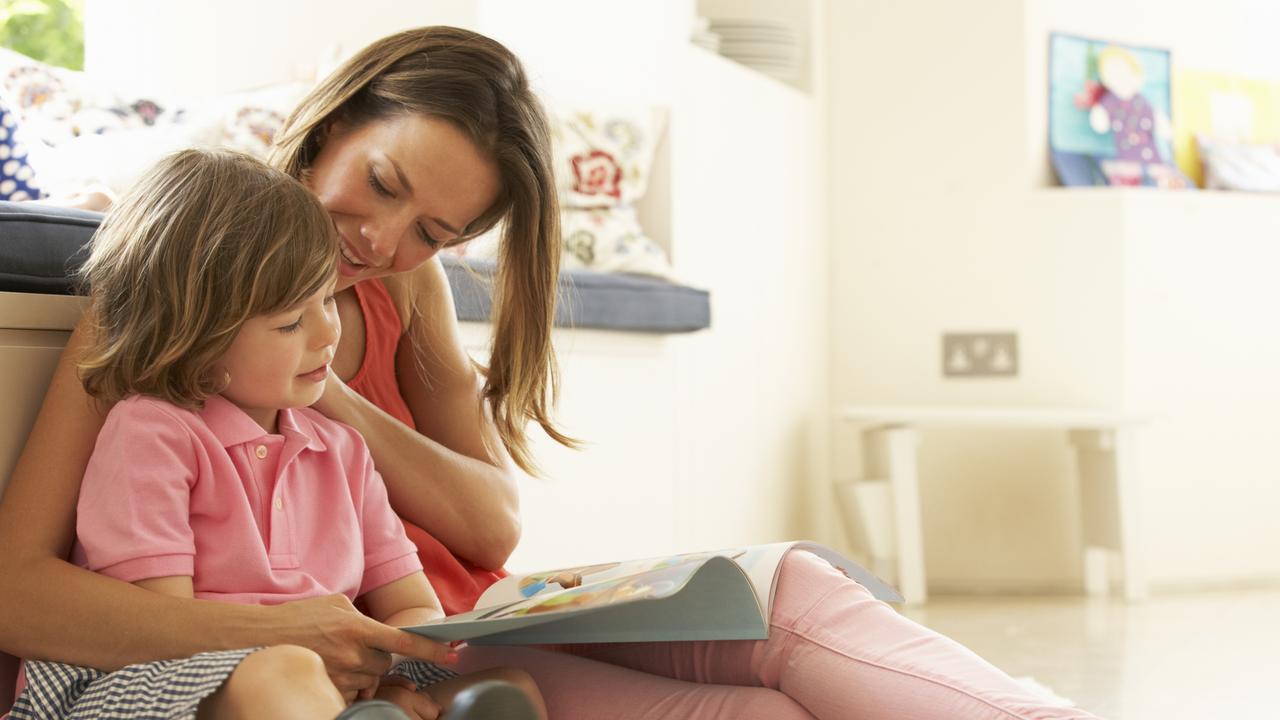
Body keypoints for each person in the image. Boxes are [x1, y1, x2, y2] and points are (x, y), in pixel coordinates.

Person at [0, 26, 1104, 719]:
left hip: (447, 628)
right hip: (330, 657)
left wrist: (326, 392)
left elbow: (487, 525)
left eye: (433, 230)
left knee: (795, 593)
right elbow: (19, 592)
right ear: (332, 124)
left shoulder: (395, 295)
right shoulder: (183, 281)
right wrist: (302, 631)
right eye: (379, 184)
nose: (384, 243)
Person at [9, 149, 544, 720]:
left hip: (312, 683)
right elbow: (168, 628)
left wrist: (393, 668)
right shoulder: (153, 433)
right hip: (159, 675)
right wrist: (307, 665)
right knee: (283, 676)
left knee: (510, 687)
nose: (325, 334)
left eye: (325, 302)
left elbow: (410, 604)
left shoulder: (342, 449)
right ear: (198, 341)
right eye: (291, 321)